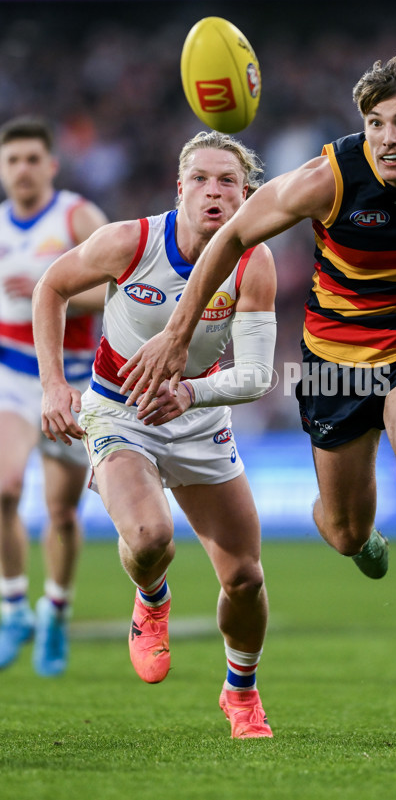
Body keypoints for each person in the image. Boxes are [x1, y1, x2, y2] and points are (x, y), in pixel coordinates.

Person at [115, 51, 396, 729]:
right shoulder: (328, 177)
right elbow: (233, 235)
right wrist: (179, 334)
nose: (388, 138)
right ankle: (361, 541)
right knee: (343, 525)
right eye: (377, 123)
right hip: (334, 364)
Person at [32, 130, 277, 739]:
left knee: (244, 577)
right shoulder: (131, 240)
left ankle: (240, 693)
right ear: (179, 188)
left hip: (198, 417)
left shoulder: (255, 260)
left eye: (228, 182)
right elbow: (51, 288)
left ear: (246, 196)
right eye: (201, 179)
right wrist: (54, 386)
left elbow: (255, 375)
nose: (214, 192)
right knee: (149, 537)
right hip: (119, 410)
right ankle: (153, 597)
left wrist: (190, 393)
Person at [0, 116, 108, 676]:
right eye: (11, 160)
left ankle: (56, 612)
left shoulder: (77, 217)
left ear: (50, 165)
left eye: (30, 159)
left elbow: (124, 284)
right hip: (14, 375)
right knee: (4, 486)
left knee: (61, 512)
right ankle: (14, 605)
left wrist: (49, 286)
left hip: (74, 377)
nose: (21, 169)